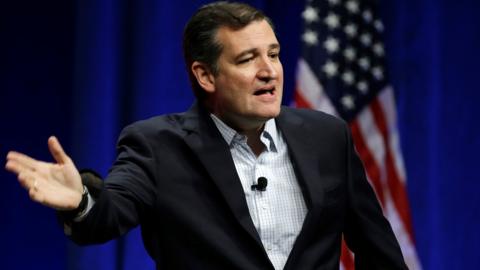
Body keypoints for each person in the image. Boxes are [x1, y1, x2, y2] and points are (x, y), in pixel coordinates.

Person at [5, 2, 408, 269]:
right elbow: (110, 214)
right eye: (248, 59)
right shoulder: (158, 146)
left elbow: (378, 250)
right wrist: (81, 202)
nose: (269, 70)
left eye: (274, 53)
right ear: (205, 75)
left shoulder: (326, 137)